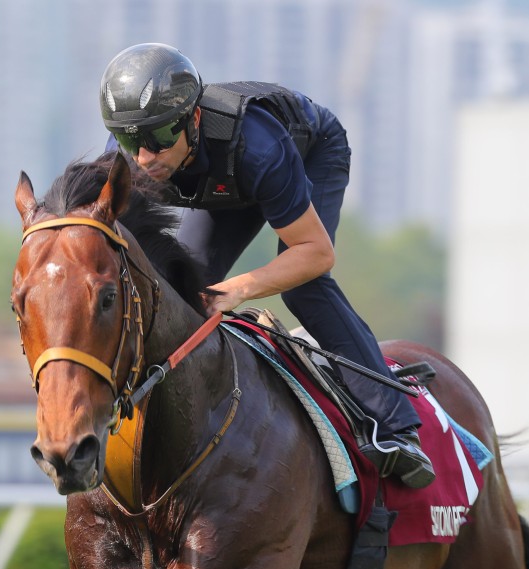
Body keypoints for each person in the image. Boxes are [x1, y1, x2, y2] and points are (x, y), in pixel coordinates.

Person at [99, 42, 434, 489]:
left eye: (159, 139)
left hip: (306, 153)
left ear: (194, 119)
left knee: (304, 286)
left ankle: (397, 425)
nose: (144, 158)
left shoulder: (261, 148)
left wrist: (240, 289)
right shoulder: (127, 153)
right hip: (219, 178)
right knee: (179, 286)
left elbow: (316, 252)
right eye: (130, 141)